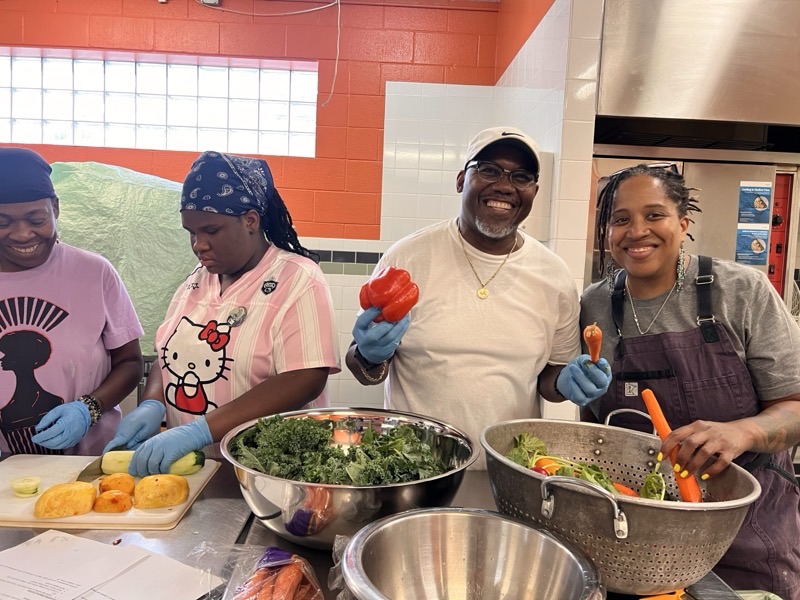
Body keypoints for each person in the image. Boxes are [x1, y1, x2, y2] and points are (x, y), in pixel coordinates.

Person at [580, 162, 800, 598]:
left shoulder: (741, 291)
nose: (637, 231)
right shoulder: (595, 305)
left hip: (744, 536)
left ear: (683, 223)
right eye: (621, 219)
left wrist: (743, 431)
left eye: (654, 215)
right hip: (631, 538)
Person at [345, 126, 612, 468]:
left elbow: (550, 377)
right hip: (414, 467)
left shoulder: (554, 276)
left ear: (534, 191)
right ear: (461, 180)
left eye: (521, 176)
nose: (505, 185)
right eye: (488, 170)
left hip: (510, 466)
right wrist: (368, 356)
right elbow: (363, 369)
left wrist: (565, 383)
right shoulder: (408, 258)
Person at [106, 151, 340, 476]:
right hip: (196, 472)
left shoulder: (298, 278)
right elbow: (168, 353)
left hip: (270, 474)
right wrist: (153, 402)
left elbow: (305, 378)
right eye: (191, 232)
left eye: (211, 230)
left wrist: (201, 430)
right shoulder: (196, 281)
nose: (198, 244)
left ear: (250, 221)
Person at [0, 147, 144, 456]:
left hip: (87, 464)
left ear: (55, 208)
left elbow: (130, 362)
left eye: (36, 219)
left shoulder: (94, 273)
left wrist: (89, 408)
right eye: (3, 222)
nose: (23, 234)